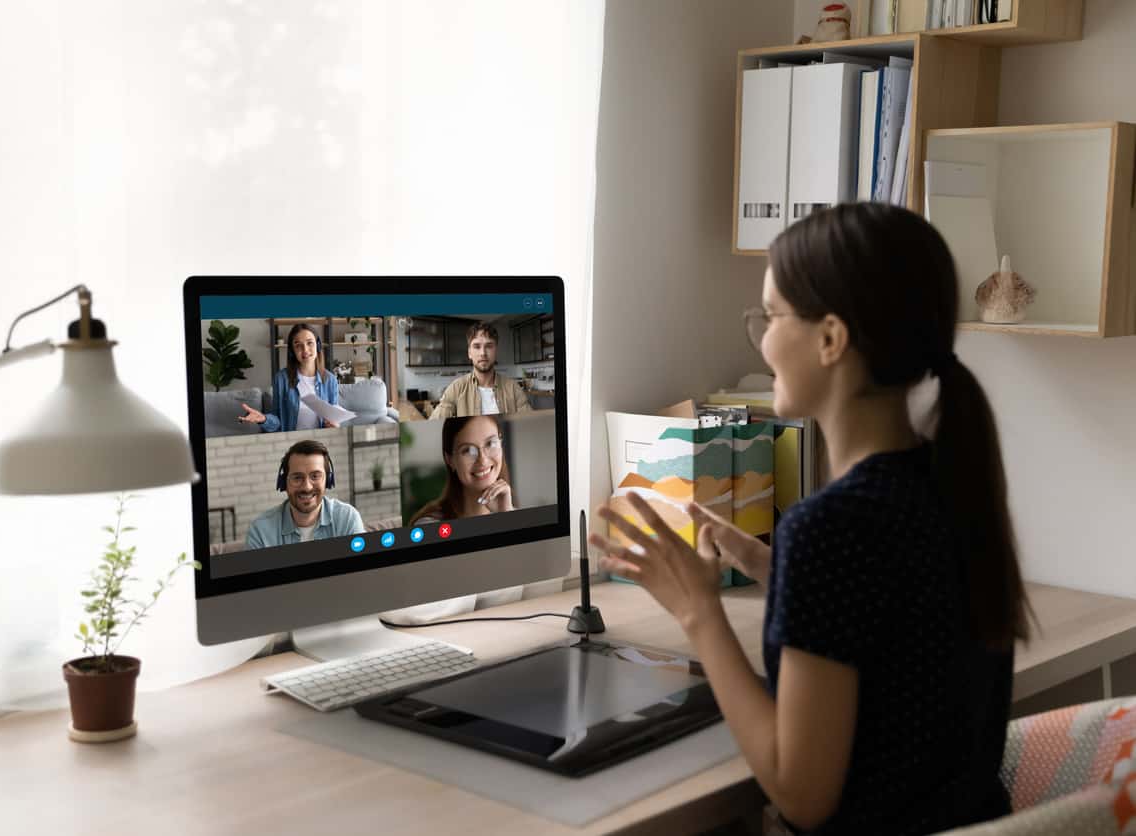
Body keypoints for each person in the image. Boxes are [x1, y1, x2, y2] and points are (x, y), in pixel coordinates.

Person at [590, 203, 1032, 836]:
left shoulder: (833, 527)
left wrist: (698, 611)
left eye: (771, 316)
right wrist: (774, 567)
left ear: (830, 339)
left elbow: (801, 794)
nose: (763, 339)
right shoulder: (946, 483)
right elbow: (893, 614)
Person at [245, 440, 365, 549]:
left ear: (328, 480)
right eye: (297, 477)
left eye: (315, 476)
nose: (307, 487)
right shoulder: (260, 530)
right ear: (284, 482)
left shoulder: (348, 518)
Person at [409, 415, 514, 525]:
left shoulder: (511, 513)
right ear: (450, 460)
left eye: (490, 443)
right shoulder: (430, 525)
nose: (482, 460)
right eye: (468, 450)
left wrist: (506, 517)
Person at [239, 323, 342, 431]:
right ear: (293, 351)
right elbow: (277, 422)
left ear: (318, 345)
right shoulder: (281, 379)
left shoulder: (330, 380)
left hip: (319, 442)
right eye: (298, 345)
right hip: (292, 442)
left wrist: (333, 425)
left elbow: (334, 417)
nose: (305, 350)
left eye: (310, 343)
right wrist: (264, 419)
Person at [429, 322, 531, 419]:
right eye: (477, 346)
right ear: (469, 353)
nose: (483, 353)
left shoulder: (514, 389)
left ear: (496, 351)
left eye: (489, 346)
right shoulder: (456, 388)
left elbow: (529, 425)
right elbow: (433, 424)